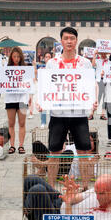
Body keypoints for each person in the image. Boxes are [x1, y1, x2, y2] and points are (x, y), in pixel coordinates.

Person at [42, 27, 98, 189]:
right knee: (54, 152)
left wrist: (93, 104)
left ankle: (86, 187)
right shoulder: (52, 63)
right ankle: (51, 187)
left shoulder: (85, 63)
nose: (69, 41)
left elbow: (90, 84)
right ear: (61, 41)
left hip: (79, 114)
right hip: (58, 114)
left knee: (83, 152)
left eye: (72, 38)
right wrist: (42, 101)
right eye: (66, 38)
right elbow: (47, 86)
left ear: (76, 41)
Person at [23, 174, 111, 220]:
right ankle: (31, 214)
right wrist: (71, 193)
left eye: (102, 193)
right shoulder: (96, 191)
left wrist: (68, 204)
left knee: (37, 190)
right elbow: (76, 198)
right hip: (62, 202)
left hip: (58, 219)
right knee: (31, 179)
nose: (97, 197)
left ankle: (30, 211)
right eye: (96, 192)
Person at [4, 47, 31, 154]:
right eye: (14, 56)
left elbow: (30, 83)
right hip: (10, 98)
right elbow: (2, 83)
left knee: (22, 123)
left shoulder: (25, 68)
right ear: (11, 57)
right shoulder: (6, 68)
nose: (16, 58)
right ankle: (12, 145)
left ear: (21, 57)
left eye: (18, 56)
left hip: (22, 98)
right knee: (11, 123)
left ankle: (21, 145)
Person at [91, 51, 109, 120]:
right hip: (98, 80)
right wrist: (95, 54)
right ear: (100, 53)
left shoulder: (109, 61)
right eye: (102, 53)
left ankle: (102, 114)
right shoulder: (97, 60)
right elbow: (93, 65)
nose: (104, 54)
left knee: (105, 99)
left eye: (105, 53)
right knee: (96, 98)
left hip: (106, 81)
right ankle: (91, 113)